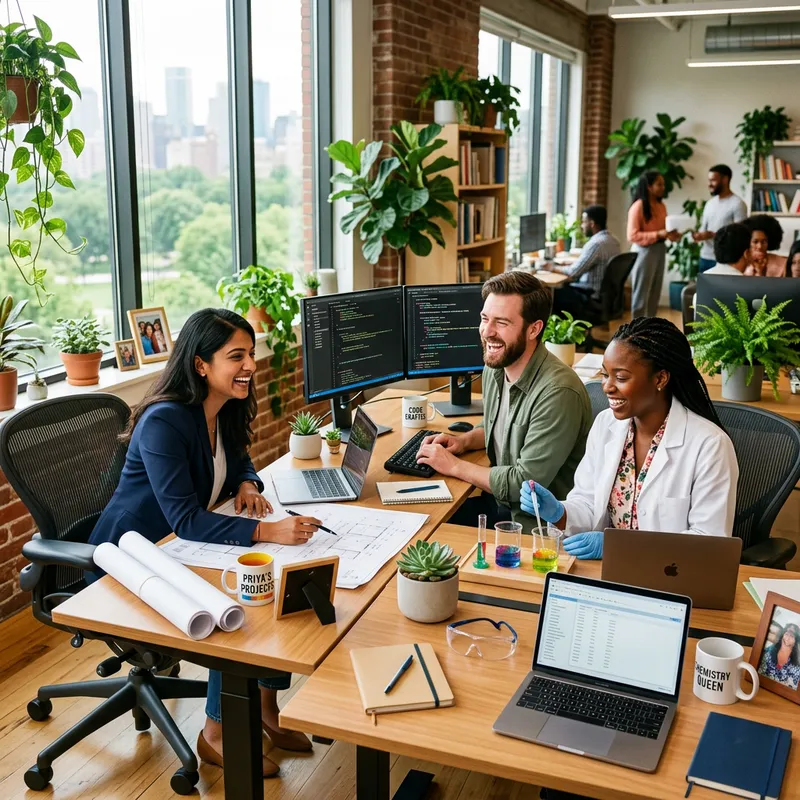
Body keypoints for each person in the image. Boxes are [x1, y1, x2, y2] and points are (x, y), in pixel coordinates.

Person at [89, 308, 322, 777]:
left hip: (180, 547)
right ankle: (216, 735)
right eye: (236, 356)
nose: (250, 367)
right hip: (132, 560)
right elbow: (187, 519)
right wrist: (266, 530)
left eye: (251, 354)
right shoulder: (164, 421)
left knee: (272, 581)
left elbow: (239, 461)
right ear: (201, 364)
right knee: (240, 601)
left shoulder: (224, 406)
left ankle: (266, 712)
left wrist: (249, 484)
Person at [519, 317, 738, 559]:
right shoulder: (606, 424)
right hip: (606, 572)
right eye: (605, 375)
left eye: (621, 378)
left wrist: (621, 547)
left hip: (670, 580)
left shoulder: (710, 445)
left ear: (660, 379)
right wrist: (560, 512)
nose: (607, 387)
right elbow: (589, 503)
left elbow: (709, 542)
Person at [415, 271, 592, 532]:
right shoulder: (496, 368)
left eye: (502, 322)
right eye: (485, 319)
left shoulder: (558, 392)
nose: (487, 331)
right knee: (421, 521)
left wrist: (453, 465)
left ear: (534, 329)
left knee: (431, 537)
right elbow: (506, 430)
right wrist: (464, 441)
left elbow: (524, 483)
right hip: (498, 506)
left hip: (535, 528)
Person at [627, 172, 681, 319]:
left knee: (654, 292)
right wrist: (657, 234)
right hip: (644, 251)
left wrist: (671, 235)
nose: (663, 187)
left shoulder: (661, 206)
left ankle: (650, 328)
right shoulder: (638, 207)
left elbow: (663, 230)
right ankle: (636, 330)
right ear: (649, 187)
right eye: (659, 184)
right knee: (641, 292)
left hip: (659, 249)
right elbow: (632, 235)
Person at [551, 205, 621, 316]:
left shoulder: (595, 244)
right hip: (605, 297)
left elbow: (573, 272)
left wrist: (551, 268)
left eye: (584, 222)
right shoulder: (613, 240)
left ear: (592, 224)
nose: (582, 226)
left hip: (588, 294)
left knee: (551, 294)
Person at [692, 164, 747, 273]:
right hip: (705, 257)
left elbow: (740, 236)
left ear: (725, 180)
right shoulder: (709, 203)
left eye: (713, 180)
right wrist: (698, 235)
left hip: (724, 261)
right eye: (709, 180)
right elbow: (703, 229)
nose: (709, 184)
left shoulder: (737, 204)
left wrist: (713, 235)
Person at [758, 622, 800, 690]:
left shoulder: (797, 666)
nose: (788, 637)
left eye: (792, 636)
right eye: (786, 634)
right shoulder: (768, 651)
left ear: (796, 641)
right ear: (783, 635)